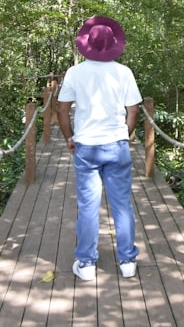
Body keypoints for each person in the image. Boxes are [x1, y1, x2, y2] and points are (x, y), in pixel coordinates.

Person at [57, 15, 142, 282]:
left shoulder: (75, 73)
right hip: (116, 145)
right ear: (112, 45)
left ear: (88, 44)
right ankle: (127, 261)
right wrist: (124, 134)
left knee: (88, 206)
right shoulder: (123, 72)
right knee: (122, 206)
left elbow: (62, 109)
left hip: (87, 146)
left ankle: (86, 263)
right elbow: (134, 109)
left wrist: (70, 137)